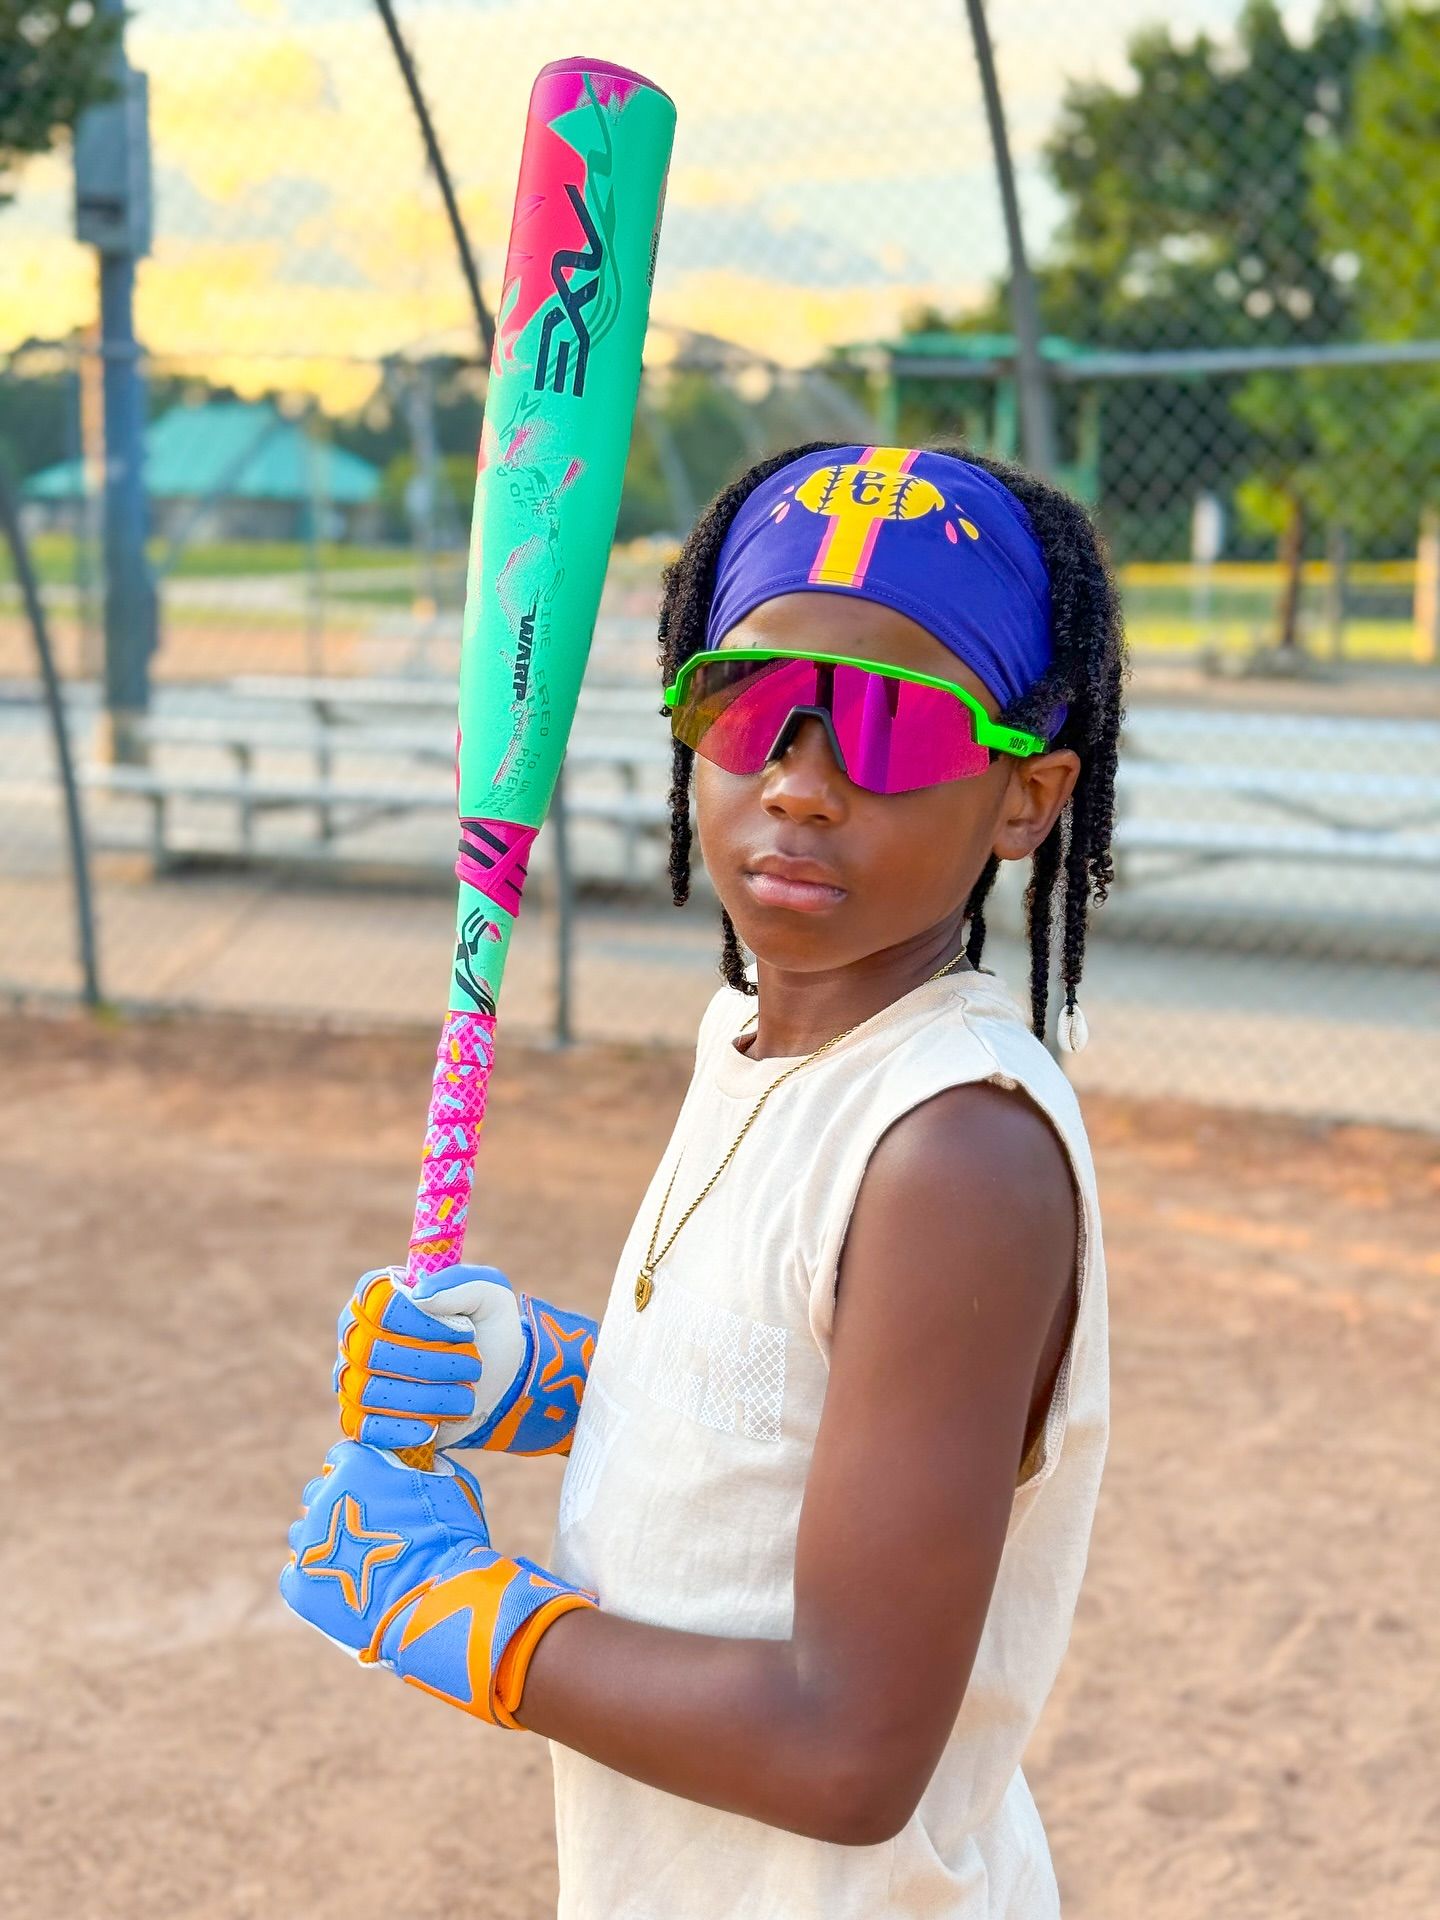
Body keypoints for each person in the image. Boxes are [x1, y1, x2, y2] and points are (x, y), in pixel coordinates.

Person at [282, 442, 1127, 1918]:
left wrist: (469, 1622)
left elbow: (847, 1749)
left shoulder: (957, 1152)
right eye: (748, 704)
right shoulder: (756, 1039)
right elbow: (784, 1396)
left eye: (892, 722)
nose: (801, 782)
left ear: (1027, 797)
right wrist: (533, 1375)